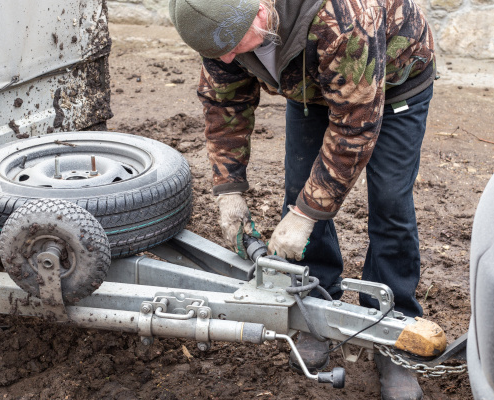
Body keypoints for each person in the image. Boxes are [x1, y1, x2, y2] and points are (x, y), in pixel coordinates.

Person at [169, 0, 435, 398]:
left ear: (261, 11)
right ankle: (314, 306)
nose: (225, 57)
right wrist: (230, 190)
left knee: (390, 204)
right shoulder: (221, 26)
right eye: (216, 51)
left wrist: (307, 214)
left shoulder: (341, 19)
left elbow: (353, 130)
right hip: (311, 86)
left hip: (395, 83)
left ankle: (393, 330)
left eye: (232, 44)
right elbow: (226, 104)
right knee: (299, 188)